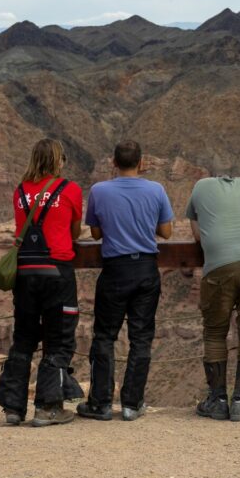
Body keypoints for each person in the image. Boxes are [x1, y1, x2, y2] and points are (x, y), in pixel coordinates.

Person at [77, 140, 174, 422]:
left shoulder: (99, 190)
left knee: (105, 336)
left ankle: (101, 403)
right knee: (141, 338)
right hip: (146, 269)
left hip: (115, 270)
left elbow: (95, 233)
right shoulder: (156, 190)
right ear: (142, 163)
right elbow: (166, 232)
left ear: (113, 163)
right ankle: (132, 404)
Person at [0, 138, 85, 427]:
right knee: (59, 340)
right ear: (58, 160)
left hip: (25, 273)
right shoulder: (69, 189)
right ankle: (48, 407)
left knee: (23, 337)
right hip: (57, 272)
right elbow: (75, 232)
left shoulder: (20, 191)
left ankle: (13, 407)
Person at [187, 173, 240, 422]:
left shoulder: (200, 187)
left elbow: (197, 235)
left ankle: (217, 400)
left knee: (215, 332)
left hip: (219, 268)